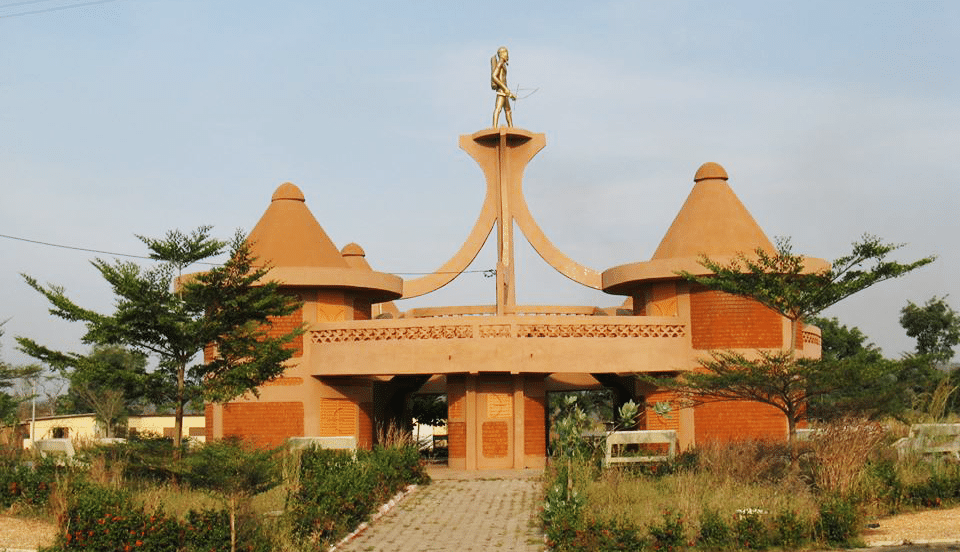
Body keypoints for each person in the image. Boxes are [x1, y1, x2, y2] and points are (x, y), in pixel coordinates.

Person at [491, 46, 516, 128]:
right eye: (505, 52)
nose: (507, 54)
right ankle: (494, 127)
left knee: (508, 110)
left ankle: (511, 127)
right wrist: (505, 89)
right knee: (498, 109)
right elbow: (494, 76)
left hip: (504, 91)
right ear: (501, 54)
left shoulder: (503, 64)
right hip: (502, 91)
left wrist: (510, 94)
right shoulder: (500, 62)